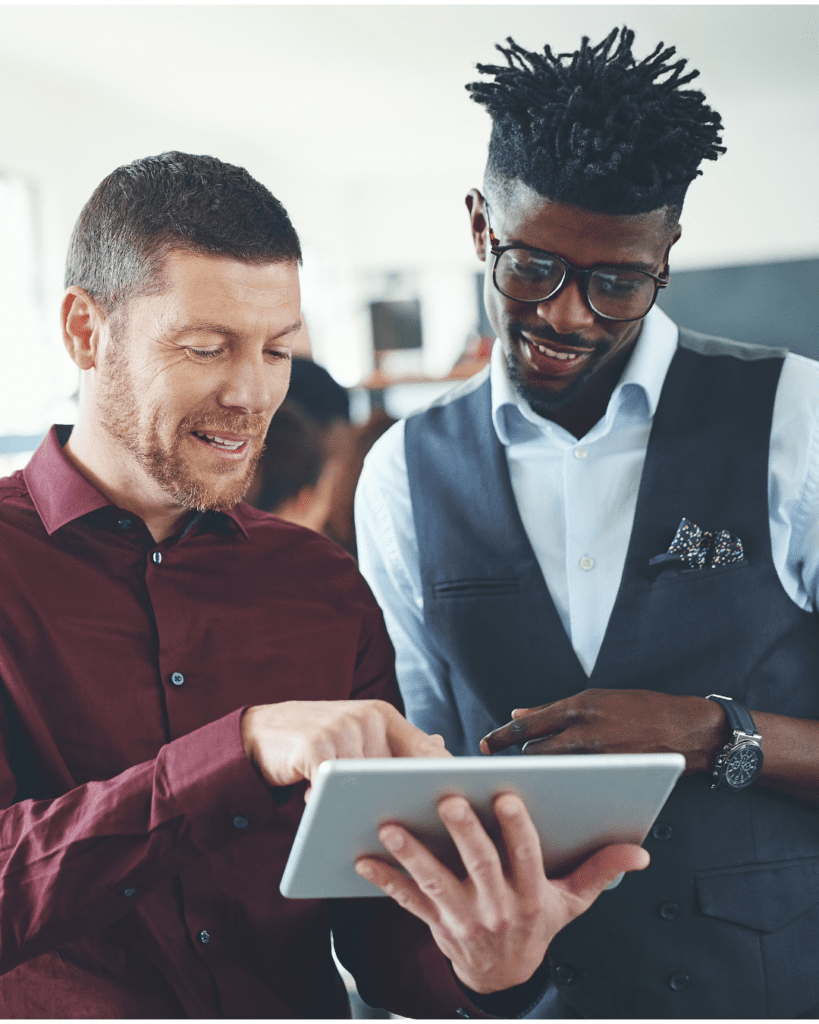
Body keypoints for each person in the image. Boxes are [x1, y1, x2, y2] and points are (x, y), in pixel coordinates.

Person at [0, 151, 648, 1019]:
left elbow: (385, 943)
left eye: (276, 350)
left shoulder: (316, 584)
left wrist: (489, 966)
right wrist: (241, 750)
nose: (252, 393)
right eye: (205, 347)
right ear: (86, 330)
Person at [355, 28, 819, 1019]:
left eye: (617, 282)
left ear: (666, 259)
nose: (567, 315)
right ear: (481, 226)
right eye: (533, 268)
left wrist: (709, 732)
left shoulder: (794, 418)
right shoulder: (402, 473)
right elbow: (428, 777)